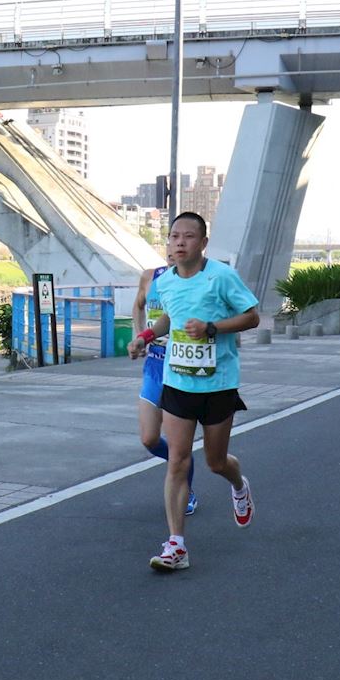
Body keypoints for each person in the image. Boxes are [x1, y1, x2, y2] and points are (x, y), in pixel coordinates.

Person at [129, 212, 259, 572]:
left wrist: (212, 328)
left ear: (203, 243)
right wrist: (146, 336)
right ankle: (177, 545)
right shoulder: (165, 282)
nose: (179, 242)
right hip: (179, 381)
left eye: (188, 237)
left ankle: (239, 484)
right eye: (174, 237)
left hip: (218, 384)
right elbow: (169, 317)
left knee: (216, 462)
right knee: (178, 461)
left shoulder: (222, 277)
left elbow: (252, 317)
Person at [130, 260, 197, 516]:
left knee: (182, 447)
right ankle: (181, 462)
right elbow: (138, 306)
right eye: (173, 239)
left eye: (185, 239)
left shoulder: (198, 278)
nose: (177, 247)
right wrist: (139, 336)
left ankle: (186, 488)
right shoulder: (150, 276)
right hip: (154, 365)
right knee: (149, 438)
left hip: (181, 368)